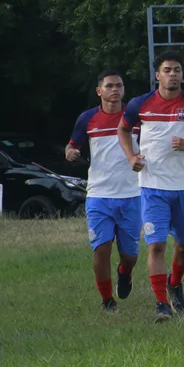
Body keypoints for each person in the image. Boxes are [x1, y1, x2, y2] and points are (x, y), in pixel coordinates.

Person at [118, 51, 184, 322]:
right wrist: (132, 157)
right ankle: (162, 304)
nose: (173, 74)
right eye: (167, 70)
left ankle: (174, 283)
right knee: (156, 247)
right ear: (157, 75)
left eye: (177, 69)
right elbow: (123, 129)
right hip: (152, 187)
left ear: (182, 74)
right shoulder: (140, 104)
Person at [67, 69, 141, 313]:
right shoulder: (87, 119)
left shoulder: (135, 117)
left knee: (130, 255)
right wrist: (70, 152)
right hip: (99, 195)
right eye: (109, 86)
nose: (114, 90)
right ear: (99, 91)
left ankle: (124, 271)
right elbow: (72, 145)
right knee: (101, 248)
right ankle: (107, 300)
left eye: (119, 86)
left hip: (132, 194)